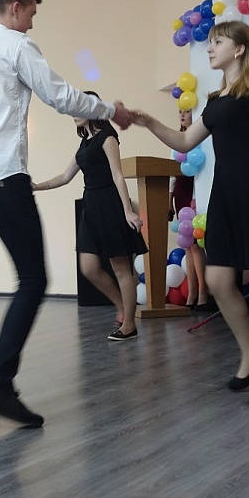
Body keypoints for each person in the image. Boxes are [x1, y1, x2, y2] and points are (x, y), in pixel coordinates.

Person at [0, 0, 133, 427]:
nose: (32, 24)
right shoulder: (15, 47)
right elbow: (60, 96)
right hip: (4, 182)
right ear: (15, 6)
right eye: (32, 14)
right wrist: (110, 111)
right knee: (34, 279)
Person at [132, 20, 249, 400]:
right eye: (210, 42)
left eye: (217, 42)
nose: (210, 48)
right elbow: (185, 139)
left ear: (239, 49)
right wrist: (149, 122)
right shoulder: (216, 101)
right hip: (224, 197)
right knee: (217, 280)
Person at [32, 105, 147, 341]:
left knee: (121, 268)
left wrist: (127, 211)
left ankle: (129, 325)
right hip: (91, 206)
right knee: (89, 268)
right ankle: (122, 307)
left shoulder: (107, 137)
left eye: (78, 109)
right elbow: (65, 177)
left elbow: (117, 175)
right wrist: (36, 187)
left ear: (92, 110)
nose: (73, 114)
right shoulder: (85, 144)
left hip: (109, 204)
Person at [170, 108, 214, 312]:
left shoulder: (202, 140)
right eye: (179, 111)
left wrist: (198, 196)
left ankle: (204, 292)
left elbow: (202, 170)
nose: (182, 115)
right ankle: (192, 292)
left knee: (196, 245)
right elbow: (172, 173)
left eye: (186, 111)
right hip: (181, 192)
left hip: (195, 193)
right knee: (187, 245)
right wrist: (168, 200)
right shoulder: (175, 139)